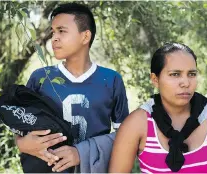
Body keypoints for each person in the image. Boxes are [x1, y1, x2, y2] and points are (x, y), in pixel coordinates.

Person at [15, 2, 129, 173]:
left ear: (85, 37)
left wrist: (81, 153)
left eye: (62, 31)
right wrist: (23, 144)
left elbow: (126, 138)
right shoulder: (40, 78)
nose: (54, 38)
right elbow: (19, 127)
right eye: (53, 32)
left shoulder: (111, 80)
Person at [109, 43, 207, 173]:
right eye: (175, 74)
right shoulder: (137, 124)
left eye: (191, 74)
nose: (185, 83)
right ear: (155, 79)